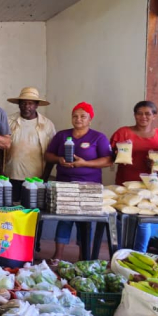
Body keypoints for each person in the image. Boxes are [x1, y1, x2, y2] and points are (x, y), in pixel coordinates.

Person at [44, 102, 113, 260]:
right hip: (65, 184)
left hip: (89, 186)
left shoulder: (98, 137)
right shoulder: (62, 136)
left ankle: (84, 256)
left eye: (83, 116)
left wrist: (85, 163)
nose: (78, 119)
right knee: (64, 219)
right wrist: (59, 159)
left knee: (85, 222)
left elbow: (108, 160)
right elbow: (48, 155)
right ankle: (58, 255)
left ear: (90, 119)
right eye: (75, 116)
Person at [110, 100, 158, 252]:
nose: (143, 117)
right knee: (120, 219)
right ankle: (118, 253)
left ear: (154, 116)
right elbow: (110, 156)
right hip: (125, 182)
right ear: (134, 115)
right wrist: (117, 154)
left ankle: (140, 253)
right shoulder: (123, 133)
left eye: (148, 113)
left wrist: (155, 163)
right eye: (139, 113)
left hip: (149, 185)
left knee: (143, 221)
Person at [3, 87, 56, 191]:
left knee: (32, 206)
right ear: (19, 104)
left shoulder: (47, 125)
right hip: (10, 176)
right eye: (23, 103)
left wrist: (45, 177)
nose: (26, 106)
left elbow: (51, 153)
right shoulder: (9, 121)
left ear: (37, 105)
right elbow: (0, 149)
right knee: (11, 206)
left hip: (36, 179)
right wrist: (1, 172)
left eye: (30, 103)